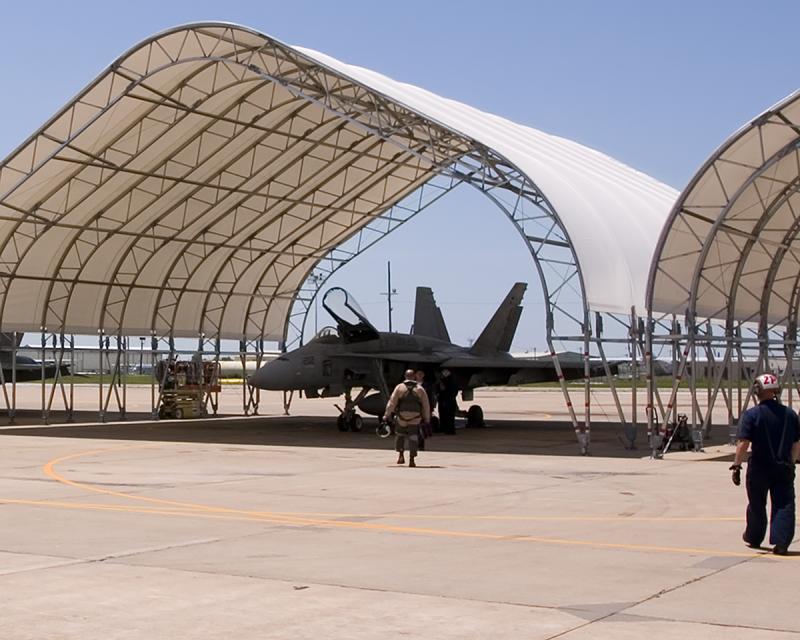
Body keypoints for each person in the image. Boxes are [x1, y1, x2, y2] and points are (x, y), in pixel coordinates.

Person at [731, 373, 800, 555]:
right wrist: (791, 464)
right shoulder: (790, 415)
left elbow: (743, 443)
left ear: (757, 391)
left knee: (756, 504)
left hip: (759, 468)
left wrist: (737, 466)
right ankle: (782, 542)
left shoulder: (752, 415)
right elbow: (796, 444)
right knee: (784, 504)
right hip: (783, 467)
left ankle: (754, 536)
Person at [383, 369, 431, 467]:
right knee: (413, 437)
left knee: (400, 435)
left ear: (405, 376)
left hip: (402, 417)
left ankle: (401, 455)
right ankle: (412, 459)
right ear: (414, 377)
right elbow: (426, 405)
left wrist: (386, 415)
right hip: (415, 418)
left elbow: (392, 403)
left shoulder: (399, 388)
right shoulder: (420, 389)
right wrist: (427, 419)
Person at [437, 368, 459, 435]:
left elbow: (446, 391)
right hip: (447, 401)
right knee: (445, 415)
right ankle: (445, 429)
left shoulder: (449, 382)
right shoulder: (450, 381)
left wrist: (445, 399)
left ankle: (449, 430)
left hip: (448, 402)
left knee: (449, 417)